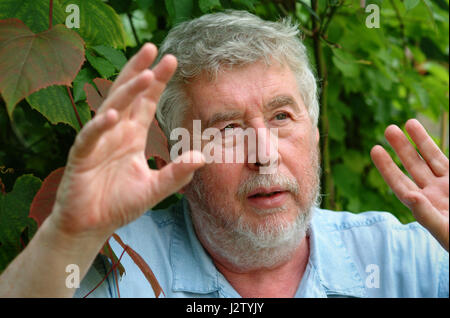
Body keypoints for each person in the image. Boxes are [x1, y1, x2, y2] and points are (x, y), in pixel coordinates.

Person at [0, 11, 448, 298]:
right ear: (176, 149)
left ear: (313, 133)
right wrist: (66, 235)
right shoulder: (121, 271)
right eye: (228, 128)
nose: (264, 154)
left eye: (281, 117)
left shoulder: (401, 260)